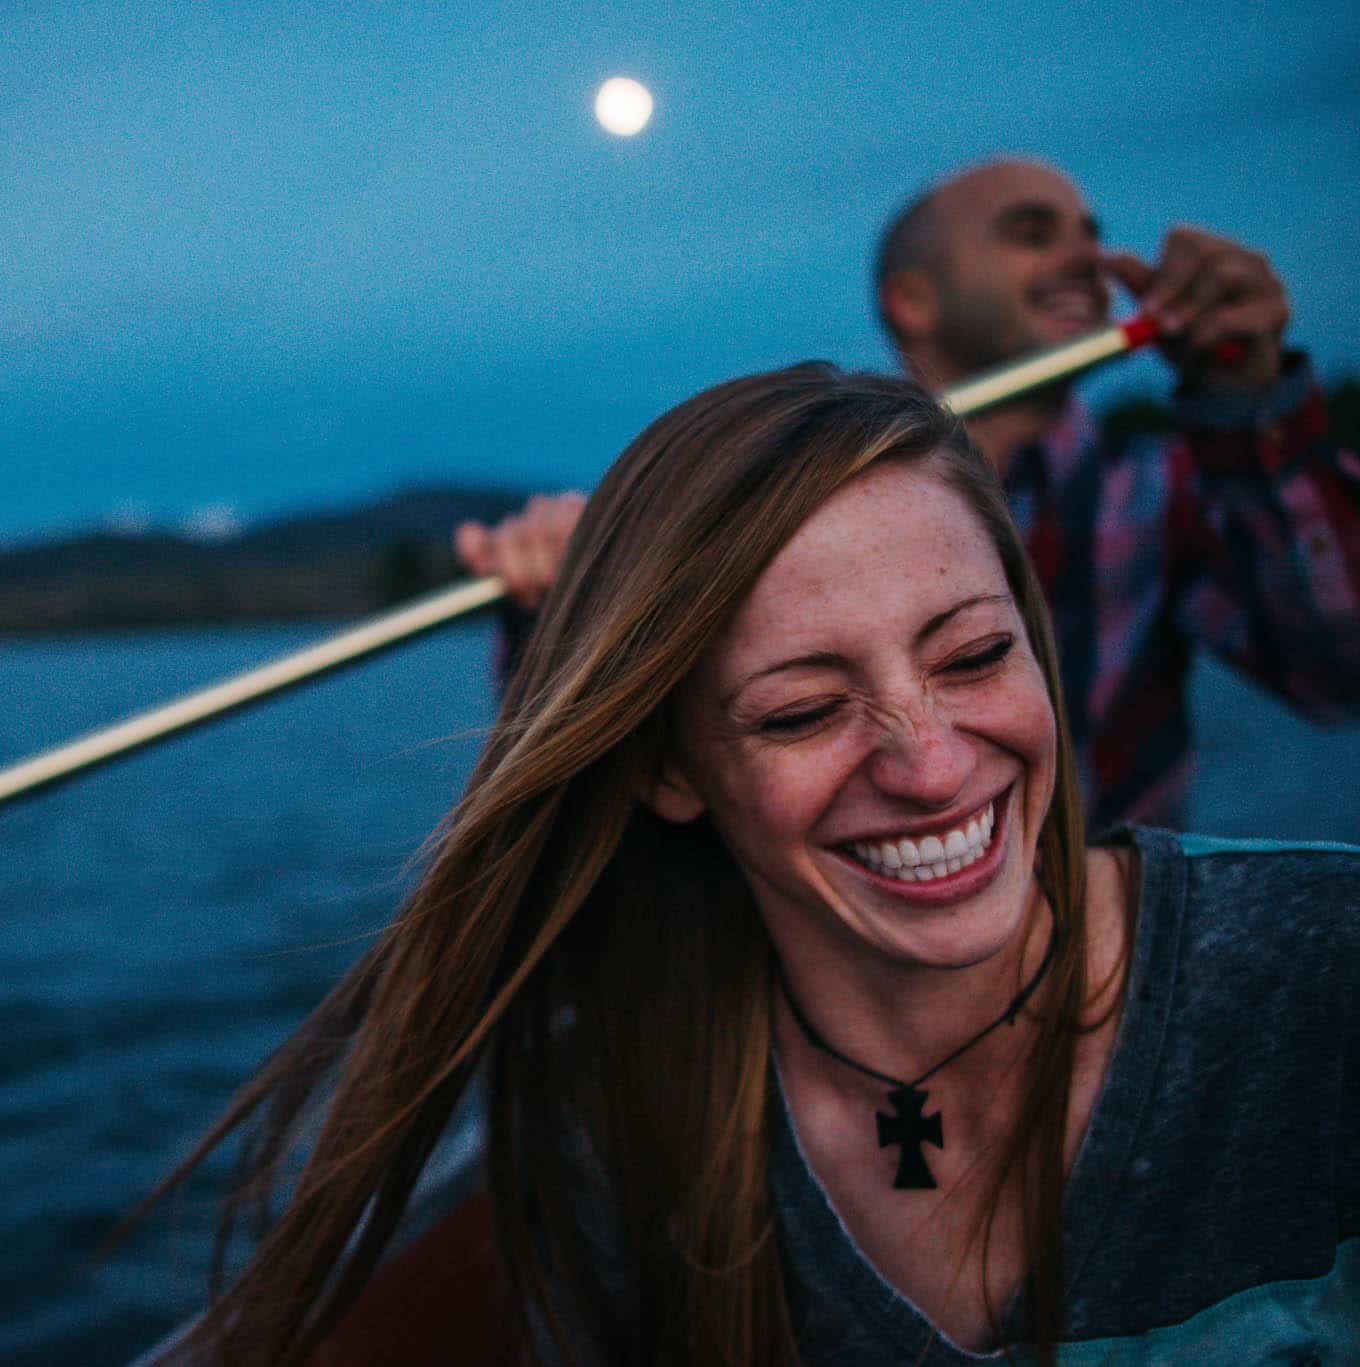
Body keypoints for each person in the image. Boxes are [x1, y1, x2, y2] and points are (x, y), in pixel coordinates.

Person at [141, 366, 1358, 1364]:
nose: (929, 766)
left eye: (974, 653)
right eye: (796, 712)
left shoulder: (1321, 973)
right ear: (669, 770)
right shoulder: (618, 1121)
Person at [456, 159, 1360, 830]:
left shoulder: (1164, 494)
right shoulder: (765, 515)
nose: (1091, 258)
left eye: (1090, 230)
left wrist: (1252, 399)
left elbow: (1338, 666)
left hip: (1110, 984)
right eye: (1033, 233)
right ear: (914, 300)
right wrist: (564, 613)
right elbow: (609, 818)